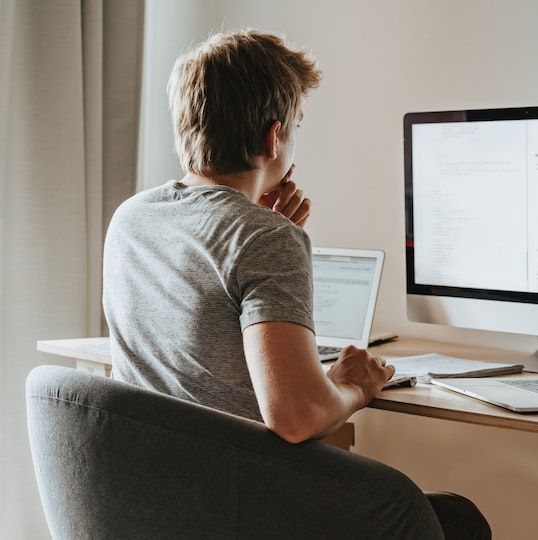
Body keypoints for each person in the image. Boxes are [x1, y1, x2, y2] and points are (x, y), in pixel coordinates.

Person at [102, 29, 491, 539]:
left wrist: (264, 227)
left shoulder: (132, 218)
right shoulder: (265, 237)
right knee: (457, 519)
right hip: (237, 506)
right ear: (274, 136)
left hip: (155, 502)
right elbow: (297, 416)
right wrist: (354, 384)